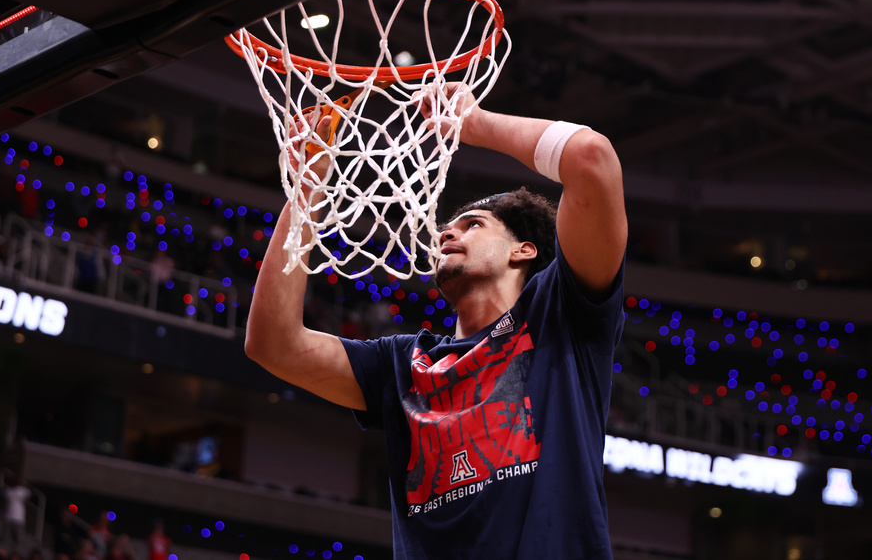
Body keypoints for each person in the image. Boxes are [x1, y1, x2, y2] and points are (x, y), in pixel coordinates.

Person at [248, 83, 627, 558]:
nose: (448, 230)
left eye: (473, 223)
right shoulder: (402, 364)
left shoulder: (559, 315)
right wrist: (306, 188)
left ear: (523, 250)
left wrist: (474, 123)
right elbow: (272, 343)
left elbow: (592, 157)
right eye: (450, 225)